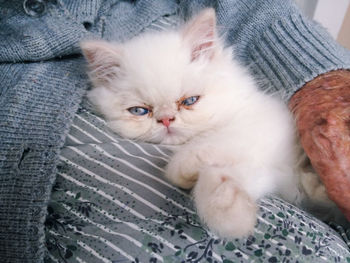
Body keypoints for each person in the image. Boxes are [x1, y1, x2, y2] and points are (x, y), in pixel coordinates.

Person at [0, 0, 349, 262]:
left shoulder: (243, 106)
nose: (168, 121)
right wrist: (232, 179)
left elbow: (266, 131)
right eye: (141, 110)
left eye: (189, 101)